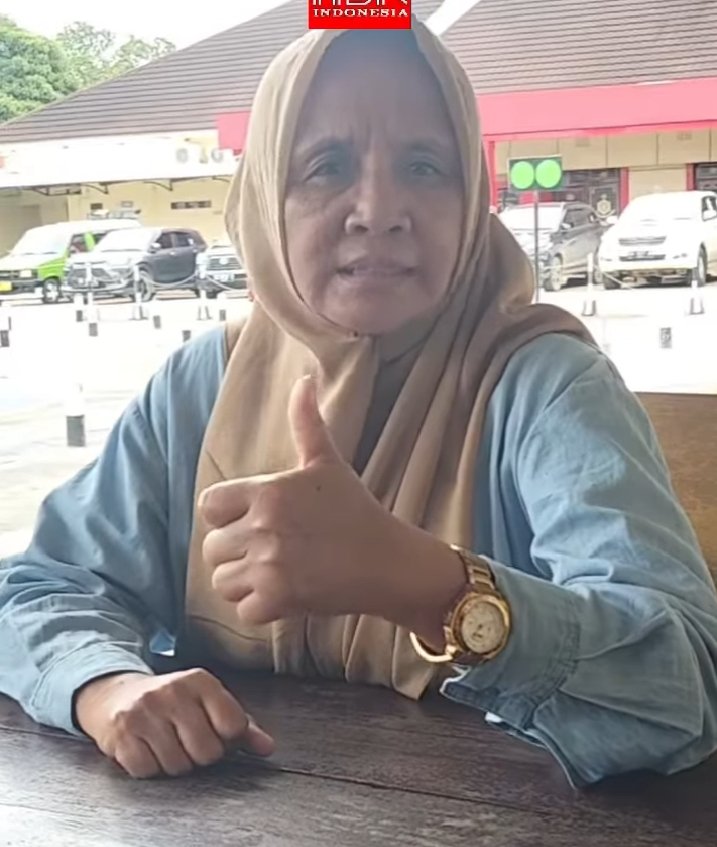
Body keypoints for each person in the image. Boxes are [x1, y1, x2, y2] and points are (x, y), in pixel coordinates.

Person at [2, 21, 717, 788]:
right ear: (265, 198)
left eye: (424, 165)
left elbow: (682, 684)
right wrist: (106, 686)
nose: (378, 209)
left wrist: (422, 582)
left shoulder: (545, 385)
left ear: (470, 199)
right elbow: (40, 587)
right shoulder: (203, 384)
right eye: (326, 166)